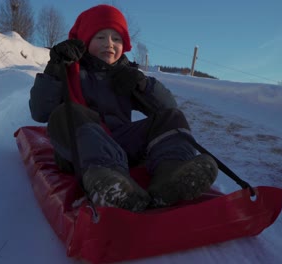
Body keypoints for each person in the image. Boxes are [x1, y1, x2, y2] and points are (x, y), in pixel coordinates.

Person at [29, 4, 218, 212]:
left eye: (116, 39)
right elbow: (40, 112)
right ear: (84, 40)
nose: (109, 44)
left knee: (172, 118)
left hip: (120, 142)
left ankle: (171, 175)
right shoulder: (69, 68)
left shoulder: (125, 74)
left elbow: (167, 107)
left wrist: (142, 83)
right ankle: (110, 181)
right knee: (65, 113)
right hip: (82, 147)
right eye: (100, 37)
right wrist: (55, 68)